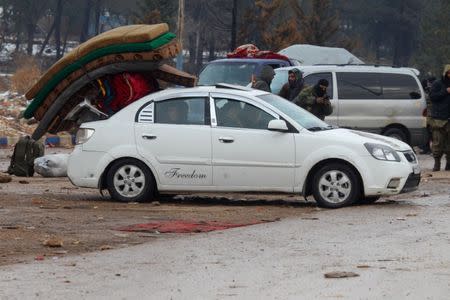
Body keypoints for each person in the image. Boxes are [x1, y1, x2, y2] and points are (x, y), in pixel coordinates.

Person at [429, 65, 450, 171]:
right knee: (438, 142)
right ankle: (437, 164)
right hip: (439, 119)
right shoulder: (437, 83)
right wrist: (446, 91)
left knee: (449, 144)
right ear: (445, 73)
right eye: (449, 73)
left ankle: (448, 165)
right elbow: (432, 97)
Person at [419, 77, 436, 154]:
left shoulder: (432, 91)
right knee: (426, 131)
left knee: (431, 132)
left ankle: (430, 149)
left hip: (430, 115)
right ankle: (426, 148)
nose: (429, 84)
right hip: (425, 115)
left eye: (430, 82)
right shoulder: (425, 91)